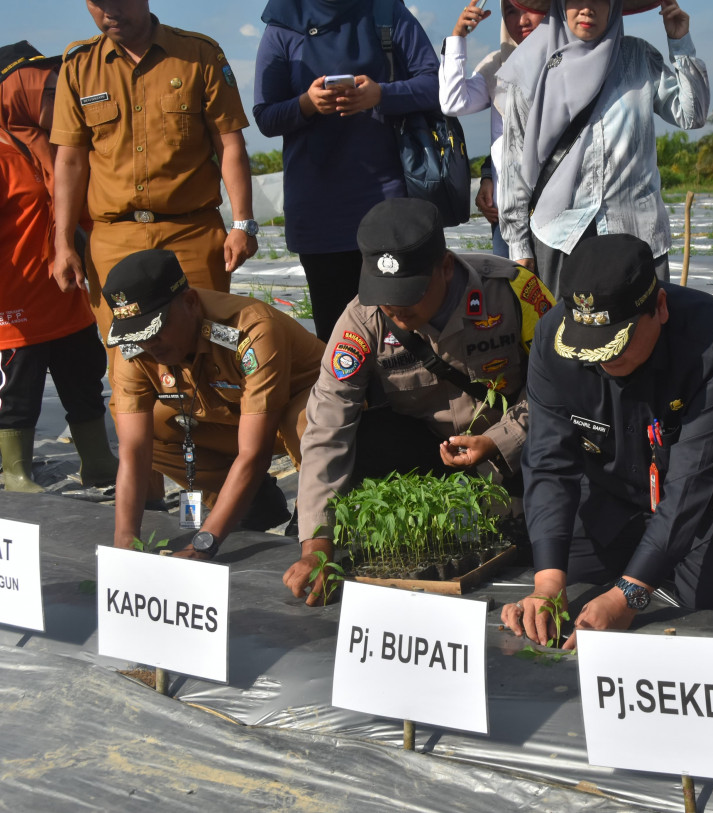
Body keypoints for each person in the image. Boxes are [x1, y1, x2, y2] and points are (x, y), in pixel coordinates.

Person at [501, 233, 713, 649]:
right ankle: (646, 558)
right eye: (589, 351)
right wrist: (546, 585)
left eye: (615, 347)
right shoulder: (551, 339)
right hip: (617, 486)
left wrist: (628, 595)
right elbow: (548, 460)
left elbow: (692, 484)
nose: (600, 360)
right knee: (570, 572)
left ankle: (653, 563)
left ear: (661, 309)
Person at [284, 198, 554, 604]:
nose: (395, 307)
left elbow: (563, 390)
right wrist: (317, 545)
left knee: (538, 533)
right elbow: (327, 427)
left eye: (410, 292)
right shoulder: (361, 321)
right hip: (431, 451)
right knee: (361, 438)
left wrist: (501, 439)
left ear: (445, 267)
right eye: (385, 293)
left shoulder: (515, 291)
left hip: (517, 447)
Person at [50, 0, 258, 348]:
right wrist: (63, 243)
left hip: (191, 235)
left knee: (208, 352)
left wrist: (242, 224)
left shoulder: (199, 54)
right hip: (115, 241)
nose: (110, 11)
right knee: (129, 362)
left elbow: (229, 145)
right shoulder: (79, 66)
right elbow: (70, 162)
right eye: (98, 3)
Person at [105, 249, 324, 559]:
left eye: (155, 330)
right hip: (233, 420)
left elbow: (254, 453)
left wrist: (204, 544)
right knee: (152, 427)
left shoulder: (249, 330)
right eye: (138, 335)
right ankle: (249, 501)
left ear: (191, 302)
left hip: (292, 423)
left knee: (303, 420)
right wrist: (125, 545)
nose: (147, 345)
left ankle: (315, 513)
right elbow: (133, 449)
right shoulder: (136, 344)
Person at [254, 0, 440, 342]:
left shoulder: (386, 12)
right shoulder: (283, 25)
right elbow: (265, 116)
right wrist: (307, 104)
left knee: (404, 328)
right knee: (337, 332)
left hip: (389, 197)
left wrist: (381, 94)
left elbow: (433, 83)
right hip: (319, 206)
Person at [496, 0, 708, 294]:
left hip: (637, 233)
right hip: (560, 237)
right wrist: (519, 245)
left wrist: (680, 42)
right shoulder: (532, 68)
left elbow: (692, 115)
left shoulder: (638, 58)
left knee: (643, 336)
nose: (587, 8)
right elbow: (514, 165)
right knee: (565, 337)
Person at [0, 42, 117, 492]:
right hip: (16, 302)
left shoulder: (58, 147)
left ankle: (97, 461)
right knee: (18, 392)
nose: (54, 99)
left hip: (67, 294)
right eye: (44, 90)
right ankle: (16, 471)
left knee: (84, 378)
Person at [440, 0, 545, 258]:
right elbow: (453, 101)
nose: (522, 20)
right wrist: (457, 38)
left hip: (556, 215)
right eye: (511, 11)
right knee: (512, 294)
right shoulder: (498, 67)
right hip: (507, 215)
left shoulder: (572, 64)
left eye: (530, 7)